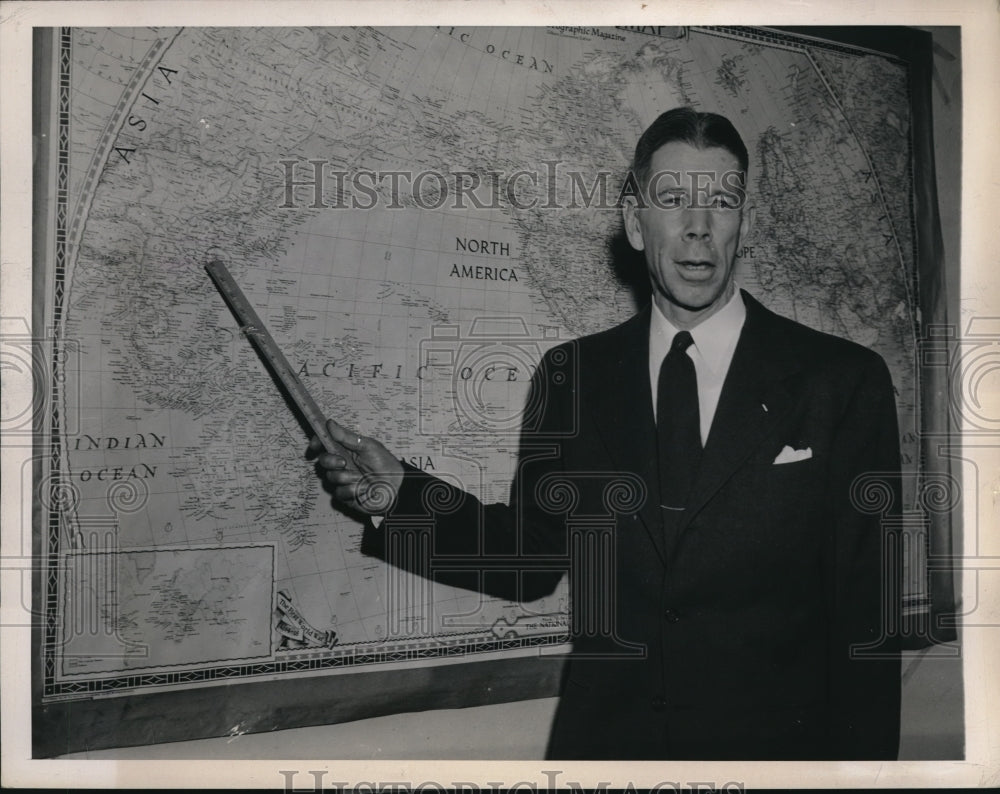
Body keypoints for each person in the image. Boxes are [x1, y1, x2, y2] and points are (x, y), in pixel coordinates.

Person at [310, 107, 902, 760]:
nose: (698, 228)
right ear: (634, 223)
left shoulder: (842, 381)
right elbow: (531, 559)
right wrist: (400, 496)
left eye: (722, 202)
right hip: (607, 751)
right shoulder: (573, 375)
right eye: (673, 199)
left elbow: (866, 624)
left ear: (746, 222)